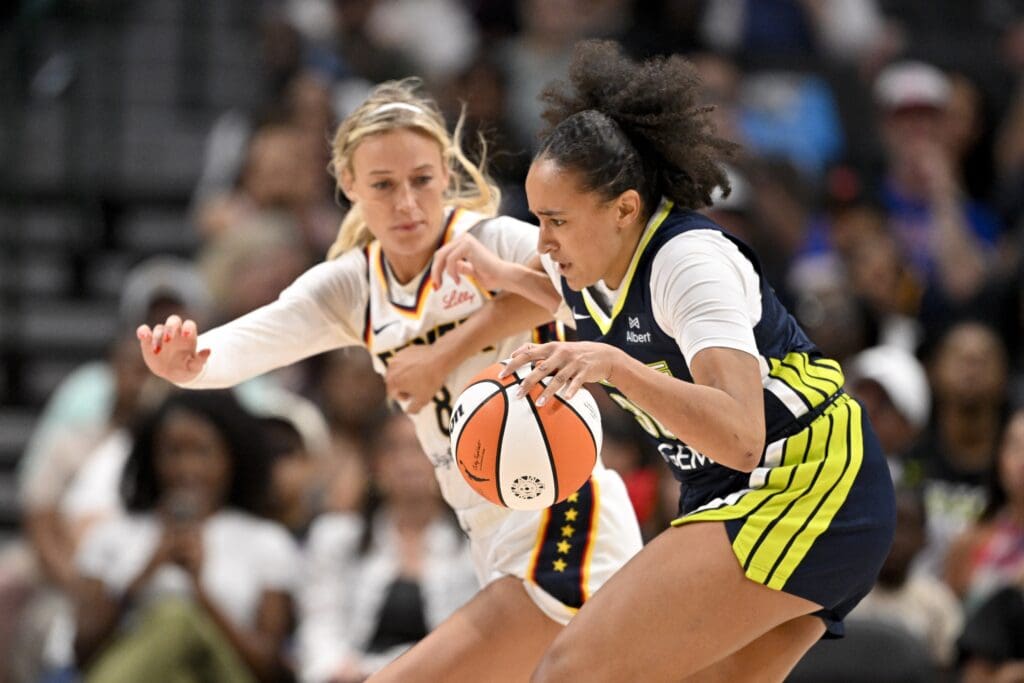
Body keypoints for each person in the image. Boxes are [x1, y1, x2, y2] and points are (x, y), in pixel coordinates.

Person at [137, 78, 642, 681]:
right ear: (350, 186)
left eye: (422, 180)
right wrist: (189, 364)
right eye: (383, 185)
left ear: (445, 172)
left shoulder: (493, 240)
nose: (406, 203)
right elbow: (253, 340)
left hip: (566, 518)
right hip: (487, 533)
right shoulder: (353, 286)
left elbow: (593, 295)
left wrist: (448, 343)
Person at [433, 41, 896, 681]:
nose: (544, 240)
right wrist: (500, 275)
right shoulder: (582, 262)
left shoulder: (690, 263)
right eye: (537, 219)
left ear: (625, 207)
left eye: (556, 220)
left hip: (804, 479)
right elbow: (574, 300)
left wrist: (616, 368)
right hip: (751, 493)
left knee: (569, 670)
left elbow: (739, 435)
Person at [73, 390, 298, 682]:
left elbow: (269, 668)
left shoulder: (266, 540)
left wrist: (199, 589)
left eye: (202, 452)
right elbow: (82, 652)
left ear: (232, 455)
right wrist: (145, 573)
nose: (187, 469)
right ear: (152, 455)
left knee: (177, 618)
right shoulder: (113, 535)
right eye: (174, 451)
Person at [298, 411, 478, 682]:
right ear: (375, 464)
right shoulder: (336, 537)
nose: (406, 463)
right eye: (392, 449)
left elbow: (476, 640)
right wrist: (338, 669)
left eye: (419, 447)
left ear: (445, 460)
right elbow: (319, 624)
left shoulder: (474, 546)